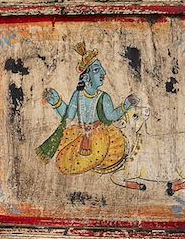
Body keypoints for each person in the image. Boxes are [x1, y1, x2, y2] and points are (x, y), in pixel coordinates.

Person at [38, 46, 134, 175]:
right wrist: (56, 102)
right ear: (86, 77)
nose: (103, 72)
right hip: (80, 132)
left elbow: (111, 116)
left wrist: (126, 105)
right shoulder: (78, 95)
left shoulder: (104, 97)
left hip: (100, 134)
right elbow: (68, 115)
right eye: (96, 70)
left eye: (101, 68)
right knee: (64, 162)